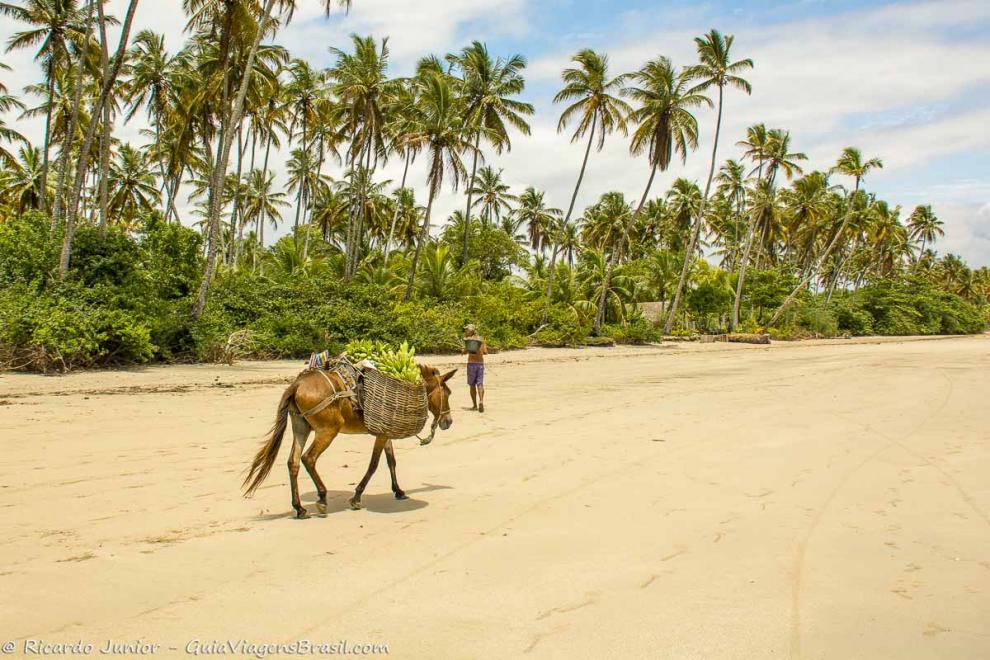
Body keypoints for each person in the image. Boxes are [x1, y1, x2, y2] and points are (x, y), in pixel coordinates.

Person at [462, 324, 487, 412]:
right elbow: (485, 352)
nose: (465, 332)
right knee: (480, 384)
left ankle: (475, 405)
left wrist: (464, 350)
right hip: (480, 364)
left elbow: (464, 352)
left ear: (470, 331)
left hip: (471, 364)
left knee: (472, 385)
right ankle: (481, 401)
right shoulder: (481, 339)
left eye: (466, 330)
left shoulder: (468, 340)